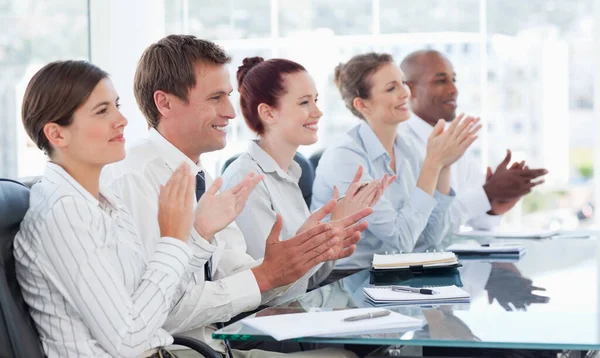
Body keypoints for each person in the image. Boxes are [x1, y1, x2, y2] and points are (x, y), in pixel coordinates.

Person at [102, 35, 366, 358]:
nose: (230, 112)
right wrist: (265, 275)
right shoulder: (134, 178)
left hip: (215, 346)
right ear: (165, 103)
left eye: (227, 96)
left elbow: (237, 273)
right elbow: (159, 310)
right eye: (215, 98)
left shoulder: (202, 178)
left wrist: (298, 257)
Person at [14, 60, 197, 358]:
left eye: (116, 105)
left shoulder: (105, 201)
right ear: (57, 135)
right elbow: (130, 340)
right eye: (102, 111)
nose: (122, 119)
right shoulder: (63, 215)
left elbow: (155, 306)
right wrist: (173, 240)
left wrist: (197, 236)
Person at [221, 56, 392, 303]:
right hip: (268, 327)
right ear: (268, 113)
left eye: (316, 100)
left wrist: (336, 225)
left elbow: (309, 280)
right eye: (304, 102)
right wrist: (314, 241)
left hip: (300, 312)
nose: (318, 112)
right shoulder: (246, 180)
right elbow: (267, 288)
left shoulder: (292, 172)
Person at [311, 52, 480, 269]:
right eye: (391, 88)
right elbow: (401, 240)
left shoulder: (408, 147)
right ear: (362, 105)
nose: (405, 93)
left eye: (402, 83)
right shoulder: (346, 157)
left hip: (392, 275)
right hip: (346, 282)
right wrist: (433, 164)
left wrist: (444, 167)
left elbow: (433, 237)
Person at [400, 50, 548, 230]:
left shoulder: (452, 141)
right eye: (440, 81)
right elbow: (424, 226)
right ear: (409, 90)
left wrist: (495, 204)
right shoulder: (400, 143)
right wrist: (488, 193)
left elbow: (475, 216)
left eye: (453, 80)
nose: (453, 89)